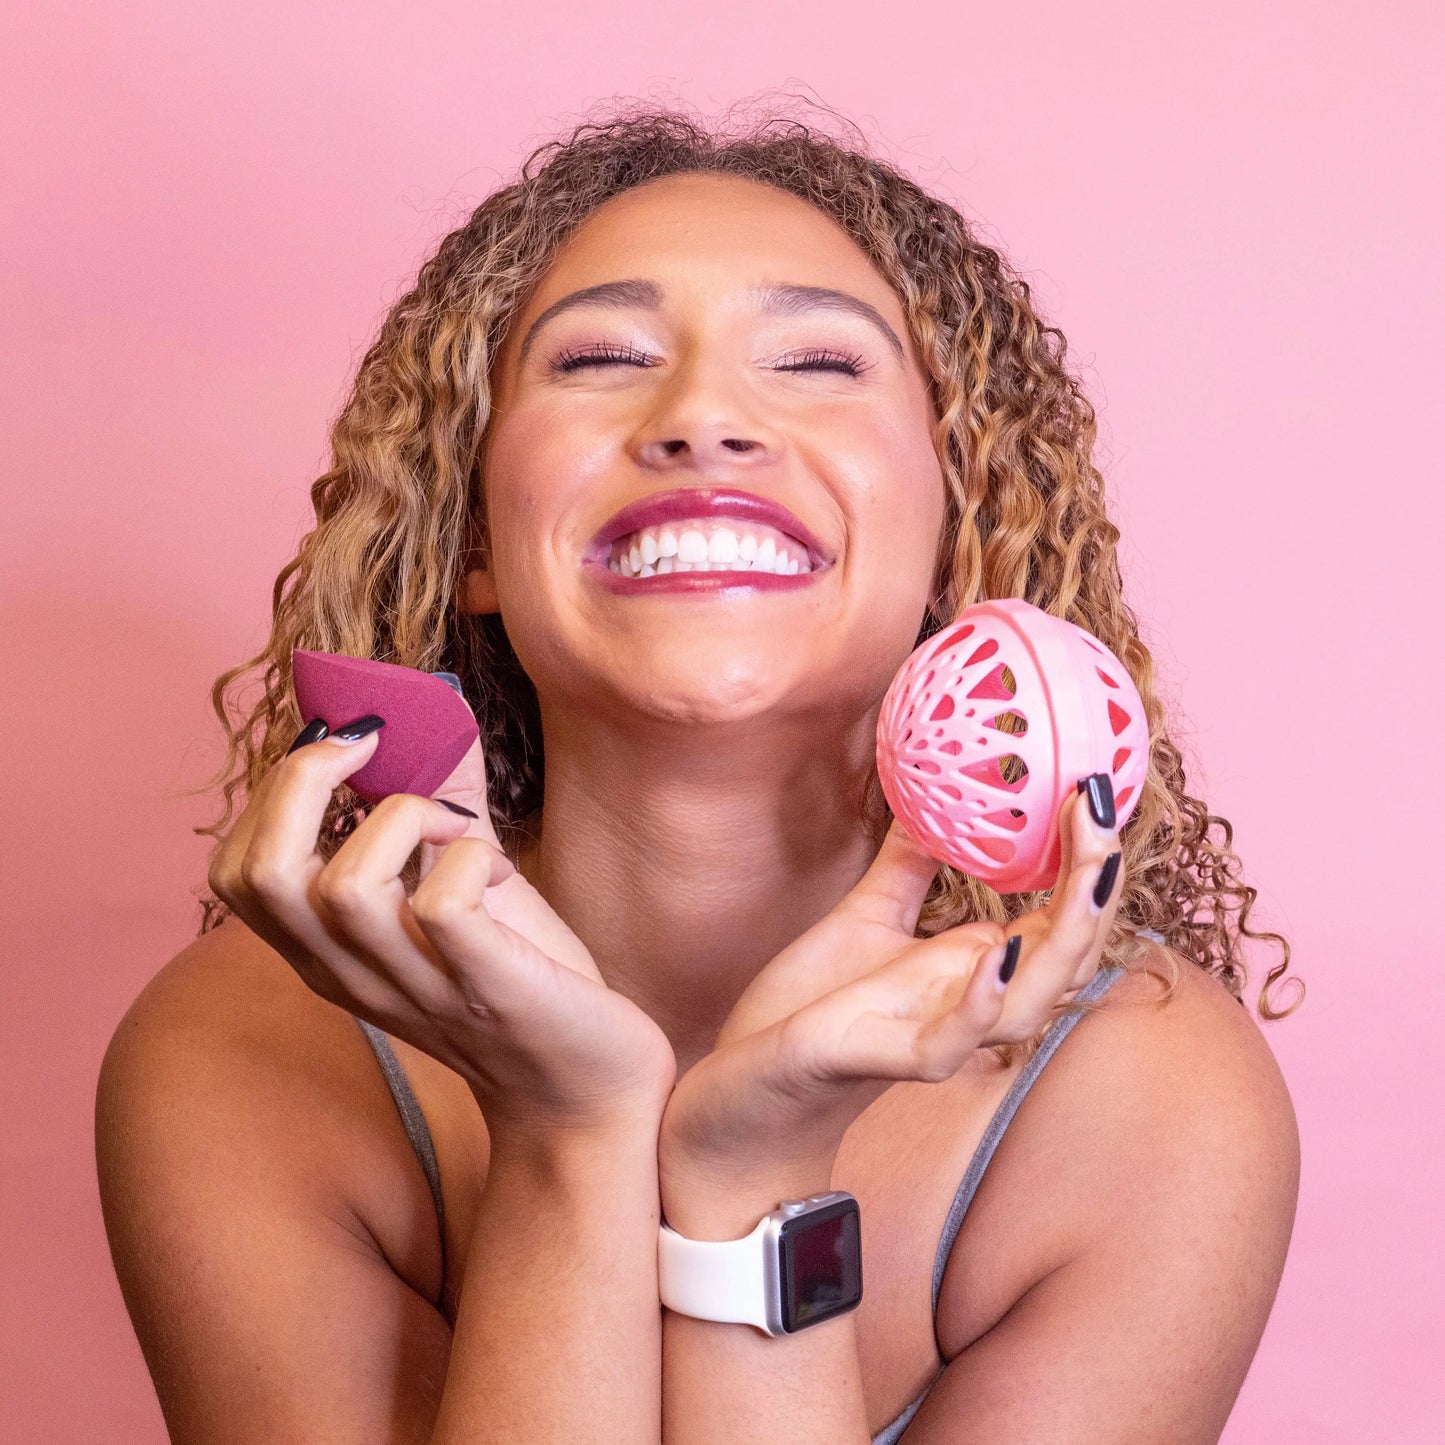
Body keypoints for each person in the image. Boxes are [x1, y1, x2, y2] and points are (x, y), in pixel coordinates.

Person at [95, 99, 1303, 1444]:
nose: (703, 419)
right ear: (474, 536)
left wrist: (754, 1176)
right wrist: (569, 1134)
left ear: (957, 535)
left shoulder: (1137, 1095)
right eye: (602, 356)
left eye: (818, 363)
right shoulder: (245, 1053)